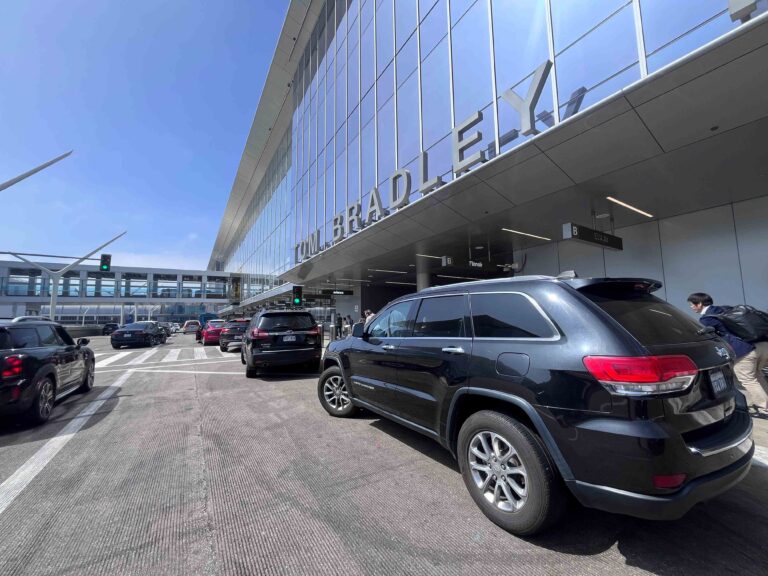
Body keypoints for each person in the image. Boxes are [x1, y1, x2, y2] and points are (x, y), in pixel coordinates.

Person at [687, 292, 768, 418]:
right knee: (756, 375)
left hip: (744, 351)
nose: (691, 307)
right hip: (761, 345)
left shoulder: (706, 319)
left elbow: (708, 337)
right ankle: (765, 402)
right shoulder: (724, 309)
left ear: (700, 304)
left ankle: (764, 409)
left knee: (747, 379)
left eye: (692, 304)